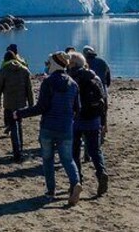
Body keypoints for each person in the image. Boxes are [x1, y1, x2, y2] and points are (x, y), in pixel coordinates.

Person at [14, 52, 82, 206]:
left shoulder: (48, 82)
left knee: (48, 160)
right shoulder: (73, 84)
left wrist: (19, 113)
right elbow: (78, 109)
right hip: (66, 128)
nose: (47, 65)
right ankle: (75, 182)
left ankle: (51, 191)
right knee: (67, 159)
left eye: (49, 62)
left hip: (48, 127)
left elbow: (41, 107)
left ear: (54, 63)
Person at [68, 52, 109, 196]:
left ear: (73, 64)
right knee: (95, 150)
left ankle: (77, 180)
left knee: (74, 151)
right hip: (94, 119)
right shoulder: (95, 77)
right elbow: (103, 100)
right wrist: (103, 121)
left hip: (77, 120)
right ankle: (101, 172)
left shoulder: (72, 79)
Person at [0, 50, 34, 162]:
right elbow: (29, 89)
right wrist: (31, 104)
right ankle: (20, 149)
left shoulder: (3, 71)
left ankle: (17, 152)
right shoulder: (24, 70)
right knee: (19, 125)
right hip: (21, 103)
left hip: (9, 103)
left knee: (13, 127)